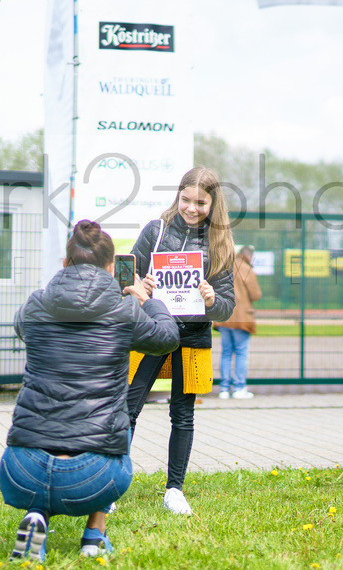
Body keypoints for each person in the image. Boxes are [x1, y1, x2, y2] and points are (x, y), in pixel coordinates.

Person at [0, 220, 179, 561]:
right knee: (117, 425)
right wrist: (146, 301)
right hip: (93, 479)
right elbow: (166, 338)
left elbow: (22, 324)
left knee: (50, 428)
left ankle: (36, 516)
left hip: (20, 473)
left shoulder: (35, 305)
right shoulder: (125, 309)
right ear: (113, 268)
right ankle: (93, 538)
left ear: (65, 264)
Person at [127, 167, 236, 514]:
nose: (191, 208)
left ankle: (174, 490)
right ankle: (109, 485)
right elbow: (125, 275)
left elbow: (226, 307)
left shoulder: (220, 243)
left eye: (200, 202)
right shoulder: (154, 231)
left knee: (183, 414)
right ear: (178, 195)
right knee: (127, 409)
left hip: (193, 336)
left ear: (213, 203)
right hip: (151, 332)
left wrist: (211, 300)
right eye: (185, 199)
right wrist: (138, 287)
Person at [215, 245, 263, 399]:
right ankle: (239, 388)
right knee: (241, 353)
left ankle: (223, 389)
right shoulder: (245, 268)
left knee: (226, 353)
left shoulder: (223, 267)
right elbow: (255, 294)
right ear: (249, 257)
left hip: (223, 317)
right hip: (242, 318)